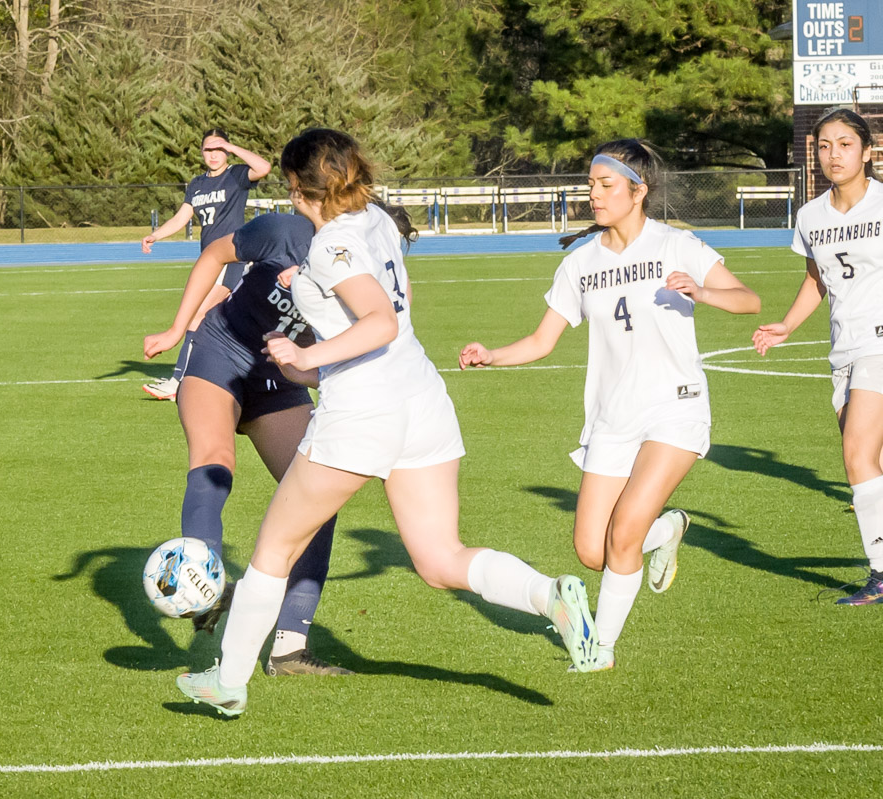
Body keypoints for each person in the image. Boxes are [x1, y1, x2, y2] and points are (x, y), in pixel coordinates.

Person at [175, 128, 599, 717]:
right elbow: (369, 314)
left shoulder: (328, 246)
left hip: (363, 410)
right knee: (439, 558)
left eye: (294, 191)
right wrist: (312, 347)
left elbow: (378, 322)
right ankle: (547, 595)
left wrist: (303, 357)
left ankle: (227, 680)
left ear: (301, 189)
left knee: (274, 547)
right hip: (421, 399)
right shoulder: (376, 216)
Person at [459, 139, 760, 672]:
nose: (593, 195)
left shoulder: (676, 244)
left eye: (605, 185)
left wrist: (703, 292)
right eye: (591, 185)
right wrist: (491, 355)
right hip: (611, 417)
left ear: (638, 191)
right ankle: (668, 530)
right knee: (593, 552)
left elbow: (748, 300)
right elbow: (541, 341)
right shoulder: (580, 264)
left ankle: (600, 648)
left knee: (623, 535)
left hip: (675, 406)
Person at [144, 211, 350, 674]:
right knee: (216, 460)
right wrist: (179, 328)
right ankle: (205, 585)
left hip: (279, 372)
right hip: (220, 350)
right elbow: (216, 254)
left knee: (319, 498)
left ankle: (290, 647)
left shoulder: (358, 259)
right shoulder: (286, 231)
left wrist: (307, 371)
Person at [752, 108, 883, 606]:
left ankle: (880, 572)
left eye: (845, 144)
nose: (833, 154)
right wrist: (786, 324)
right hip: (844, 348)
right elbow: (816, 279)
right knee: (874, 462)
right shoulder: (810, 216)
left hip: (881, 342)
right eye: (824, 145)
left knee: (856, 456)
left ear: (866, 151)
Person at [141, 129, 272, 402]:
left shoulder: (235, 175)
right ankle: (236, 373)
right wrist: (156, 234)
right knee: (217, 320)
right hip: (209, 261)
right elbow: (181, 218)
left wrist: (232, 146)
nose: (213, 155)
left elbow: (264, 167)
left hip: (231, 258)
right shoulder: (197, 184)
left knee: (197, 316)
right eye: (208, 150)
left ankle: (178, 382)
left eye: (218, 149)